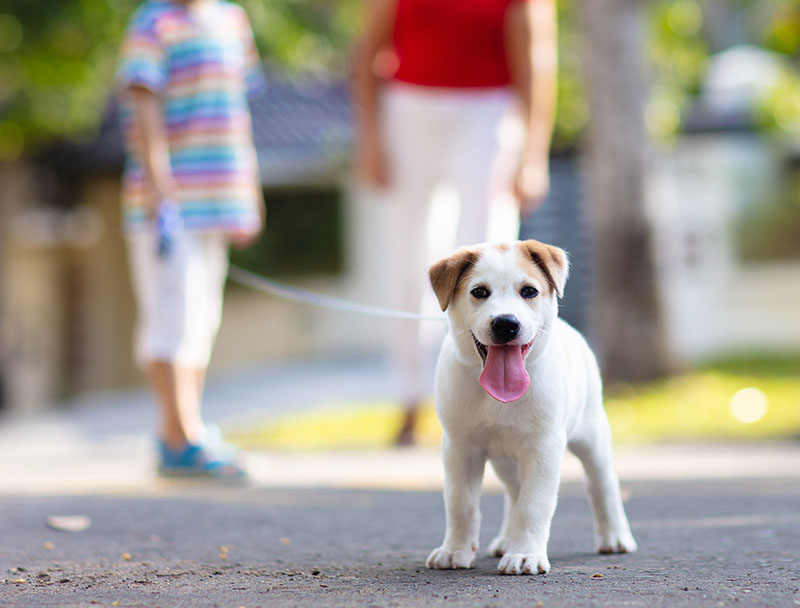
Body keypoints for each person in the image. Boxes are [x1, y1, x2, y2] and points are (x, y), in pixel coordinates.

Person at [352, 0, 558, 444]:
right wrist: (369, 138)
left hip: (489, 110)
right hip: (409, 109)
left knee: (490, 259)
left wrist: (533, 154)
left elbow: (536, 60)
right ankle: (410, 397)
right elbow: (369, 50)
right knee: (409, 259)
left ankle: (494, 395)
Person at [117, 0, 265, 476]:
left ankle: (179, 434)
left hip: (219, 198)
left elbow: (238, 111)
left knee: (201, 320)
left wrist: (249, 192)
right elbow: (143, 103)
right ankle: (184, 437)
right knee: (172, 315)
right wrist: (158, 183)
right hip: (170, 205)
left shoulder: (232, 21)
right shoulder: (154, 23)